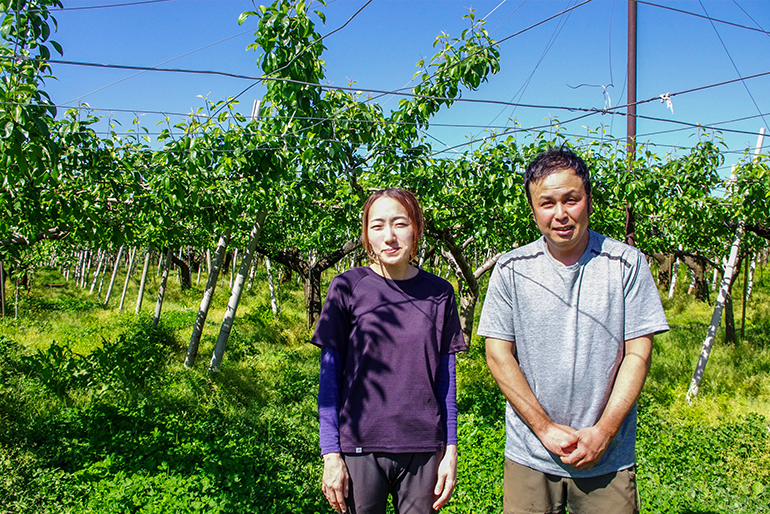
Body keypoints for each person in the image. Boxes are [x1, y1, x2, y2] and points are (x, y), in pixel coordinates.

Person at [477, 148, 669, 514]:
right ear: (533, 210)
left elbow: (638, 353)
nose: (560, 214)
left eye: (571, 199)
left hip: (606, 456)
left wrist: (604, 432)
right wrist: (545, 428)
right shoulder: (510, 268)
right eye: (547, 203)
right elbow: (498, 354)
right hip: (530, 452)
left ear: (589, 201)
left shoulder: (626, 264)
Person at [312, 188, 467, 513]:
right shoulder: (346, 288)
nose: (390, 236)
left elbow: (446, 382)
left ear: (417, 230)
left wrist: (450, 450)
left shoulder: (440, 293)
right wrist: (331, 454)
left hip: (424, 447)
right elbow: (329, 380)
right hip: (359, 446)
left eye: (400, 224)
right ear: (366, 235)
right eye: (378, 226)